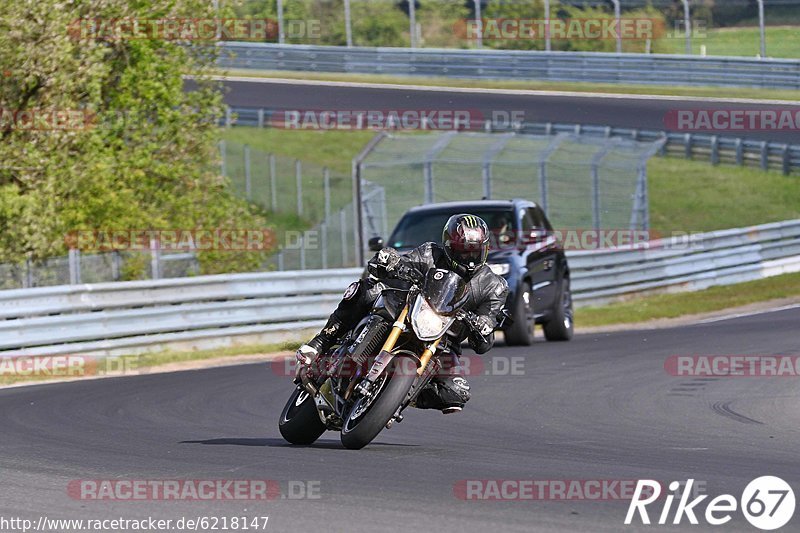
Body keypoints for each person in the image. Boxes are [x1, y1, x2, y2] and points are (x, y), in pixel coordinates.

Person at [295, 214, 509, 414]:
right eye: (463, 251)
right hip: (408, 314)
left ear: (486, 248)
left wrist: (483, 325)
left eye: (475, 251)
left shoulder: (494, 286)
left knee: (456, 393)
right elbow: (401, 264)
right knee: (366, 291)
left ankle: (397, 397)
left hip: (443, 343)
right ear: (448, 247)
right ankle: (320, 342)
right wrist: (391, 261)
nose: (469, 259)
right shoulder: (429, 254)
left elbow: (486, 332)